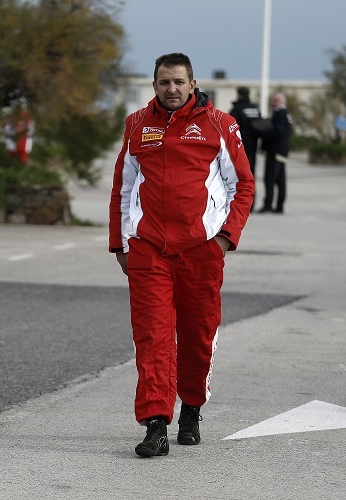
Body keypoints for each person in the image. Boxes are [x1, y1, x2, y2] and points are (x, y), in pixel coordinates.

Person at [109, 53, 254, 457]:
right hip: (148, 249)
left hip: (202, 250)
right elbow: (123, 187)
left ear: (192, 83)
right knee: (152, 337)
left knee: (197, 335)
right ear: (153, 85)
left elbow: (243, 185)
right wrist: (120, 242)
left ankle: (191, 406)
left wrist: (224, 238)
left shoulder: (221, 125)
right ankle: (155, 423)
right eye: (163, 82)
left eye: (178, 82)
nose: (171, 89)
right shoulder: (137, 124)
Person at [258, 92, 293, 214]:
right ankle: (279, 206)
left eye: (274, 101)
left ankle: (268, 204)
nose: (272, 103)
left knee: (270, 179)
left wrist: (263, 133)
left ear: (279, 102)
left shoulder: (280, 114)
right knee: (280, 180)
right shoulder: (287, 114)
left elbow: (277, 132)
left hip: (275, 152)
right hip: (282, 151)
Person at [229, 86, 262, 178]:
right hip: (253, 145)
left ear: (239, 95)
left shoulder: (237, 109)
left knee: (240, 172)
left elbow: (230, 127)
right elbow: (260, 126)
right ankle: (252, 191)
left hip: (240, 146)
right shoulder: (255, 109)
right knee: (251, 170)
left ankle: (243, 191)